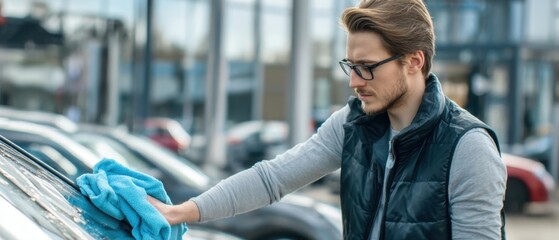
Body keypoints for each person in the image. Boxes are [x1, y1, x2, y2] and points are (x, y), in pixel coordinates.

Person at [148, 0, 507, 239]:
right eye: (351, 66)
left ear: (413, 61)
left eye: (366, 68)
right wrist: (180, 212)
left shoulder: (468, 148)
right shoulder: (352, 125)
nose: (353, 82)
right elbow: (271, 179)